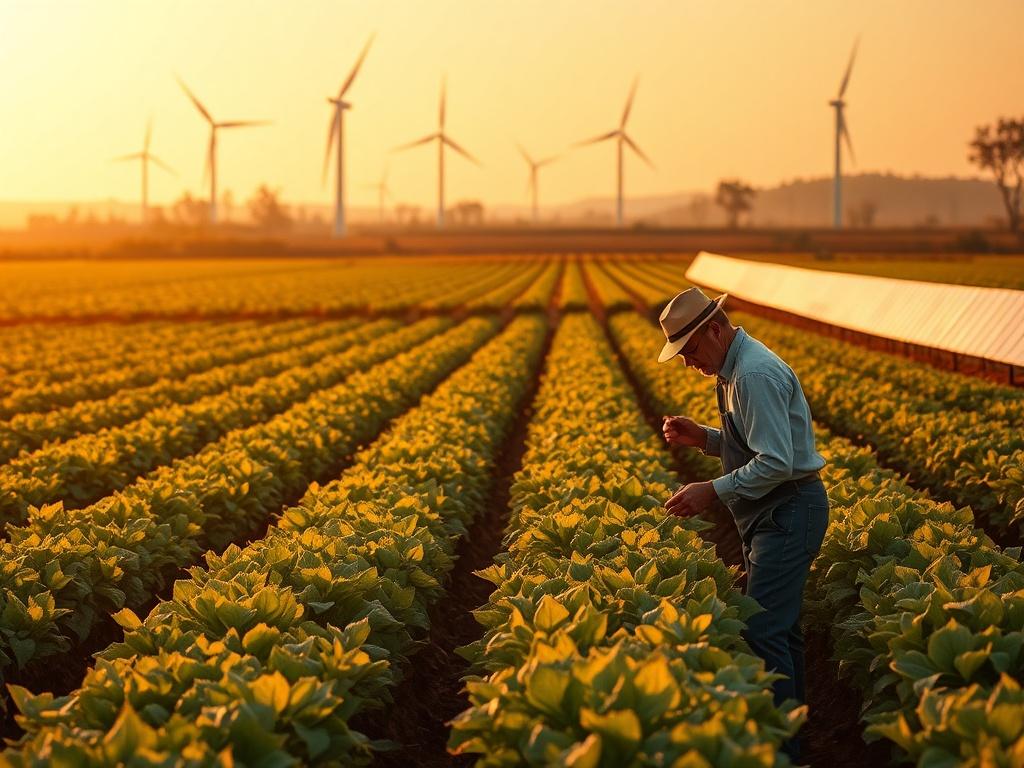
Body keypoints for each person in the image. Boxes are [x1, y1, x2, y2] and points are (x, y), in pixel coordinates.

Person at [657, 286, 828, 762]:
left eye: (690, 351)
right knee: (781, 631)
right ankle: (793, 738)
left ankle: (782, 749)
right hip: (775, 511)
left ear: (714, 329)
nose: (690, 363)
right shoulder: (733, 370)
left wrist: (709, 491)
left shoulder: (751, 374)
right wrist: (705, 439)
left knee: (762, 630)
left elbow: (776, 462)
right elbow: (758, 446)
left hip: (788, 511)